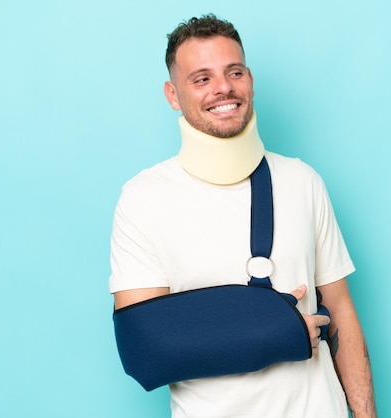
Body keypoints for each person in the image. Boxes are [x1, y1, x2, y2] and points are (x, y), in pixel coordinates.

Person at [109, 14, 377, 418]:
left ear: (250, 79)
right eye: (201, 78)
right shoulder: (143, 198)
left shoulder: (302, 181)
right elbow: (146, 348)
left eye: (234, 72)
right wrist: (277, 331)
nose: (223, 88)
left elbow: (341, 314)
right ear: (172, 94)